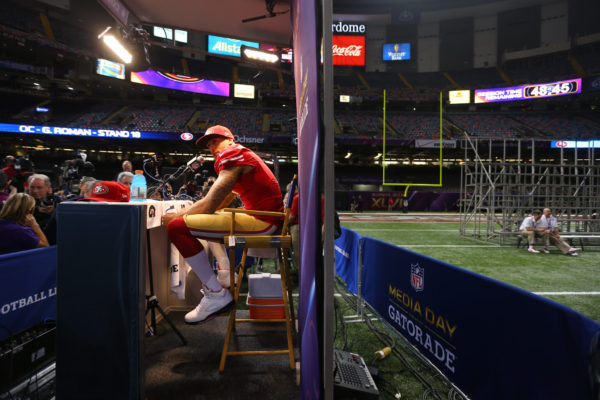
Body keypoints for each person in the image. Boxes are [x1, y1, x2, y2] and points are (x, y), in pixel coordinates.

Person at [161, 125, 284, 324]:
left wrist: (177, 215)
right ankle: (224, 273)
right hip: (265, 217)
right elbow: (224, 200)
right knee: (211, 218)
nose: (212, 147)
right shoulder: (242, 155)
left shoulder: (233, 152)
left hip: (263, 221)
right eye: (208, 145)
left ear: (230, 140)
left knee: (176, 227)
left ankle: (216, 293)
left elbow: (210, 203)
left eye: (215, 141)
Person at [27, 174, 61, 245]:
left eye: (39, 188)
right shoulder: (22, 200)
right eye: (32, 187)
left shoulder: (55, 200)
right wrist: (36, 211)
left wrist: (54, 213)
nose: (35, 191)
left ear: (48, 188)